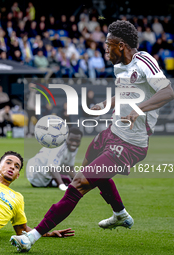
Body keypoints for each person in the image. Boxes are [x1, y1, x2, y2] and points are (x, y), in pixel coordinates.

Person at [10, 20, 174, 252]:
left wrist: (139, 110)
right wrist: (106, 104)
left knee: (78, 184)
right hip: (112, 133)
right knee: (87, 169)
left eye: (108, 45)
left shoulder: (144, 61)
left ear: (121, 45)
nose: (105, 49)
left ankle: (32, 237)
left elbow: (167, 91)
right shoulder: (120, 68)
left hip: (131, 144)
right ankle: (120, 214)